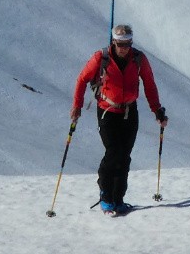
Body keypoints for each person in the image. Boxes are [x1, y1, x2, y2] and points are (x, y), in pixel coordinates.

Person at [71, 23, 167, 215]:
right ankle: (105, 194)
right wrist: (77, 106)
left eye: (127, 43)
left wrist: (157, 110)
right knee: (114, 152)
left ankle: (118, 198)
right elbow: (82, 79)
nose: (124, 48)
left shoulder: (139, 59)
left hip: (130, 112)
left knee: (124, 156)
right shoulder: (102, 57)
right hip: (107, 111)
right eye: (120, 43)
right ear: (113, 42)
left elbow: (149, 84)